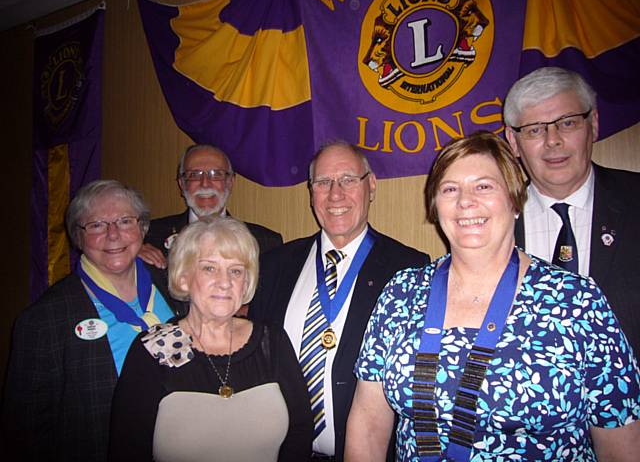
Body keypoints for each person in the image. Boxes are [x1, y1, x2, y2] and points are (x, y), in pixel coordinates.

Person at [345, 131, 640, 461]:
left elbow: (621, 445)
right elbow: (369, 423)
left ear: (514, 200)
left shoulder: (578, 302)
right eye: (450, 189)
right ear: (435, 206)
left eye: (483, 186)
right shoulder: (401, 293)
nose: (465, 201)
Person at [250, 141, 429, 461]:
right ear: (310, 192)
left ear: (371, 185)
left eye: (348, 179)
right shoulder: (275, 264)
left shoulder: (409, 269)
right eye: (323, 182)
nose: (335, 194)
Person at [2, 180, 185, 462]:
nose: (114, 234)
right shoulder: (44, 319)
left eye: (125, 221)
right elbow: (25, 433)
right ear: (78, 235)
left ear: (142, 228)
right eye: (97, 225)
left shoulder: (174, 288)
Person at [109, 216, 312, 462]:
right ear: (184, 277)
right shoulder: (153, 350)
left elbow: (300, 431)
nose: (225, 282)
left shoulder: (272, 342)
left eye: (235, 271)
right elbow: (127, 449)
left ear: (246, 283)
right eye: (209, 268)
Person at [503, 66, 640, 354]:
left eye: (567, 123)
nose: (552, 140)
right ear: (513, 142)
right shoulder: (492, 224)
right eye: (535, 129)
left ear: (594, 124)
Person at [140, 144, 282, 269]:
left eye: (216, 174)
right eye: (195, 175)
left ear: (230, 183)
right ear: (182, 184)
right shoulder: (149, 236)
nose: (205, 183)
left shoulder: (266, 243)